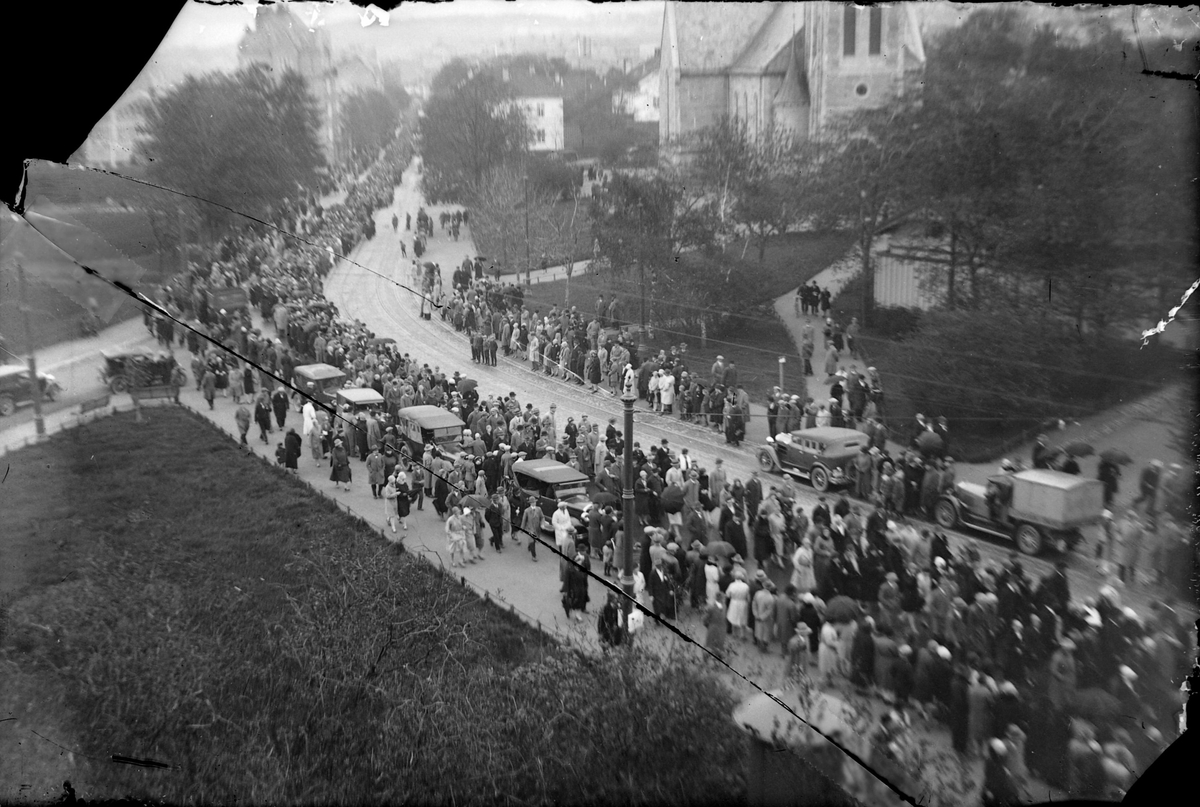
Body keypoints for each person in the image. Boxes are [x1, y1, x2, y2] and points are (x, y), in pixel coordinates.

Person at [703, 592, 728, 661]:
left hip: (713, 627)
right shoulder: (724, 606)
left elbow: (705, 619)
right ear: (722, 599)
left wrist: (707, 625)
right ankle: (718, 658)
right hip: (722, 628)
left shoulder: (711, 608)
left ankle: (706, 658)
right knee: (720, 643)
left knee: (710, 644)